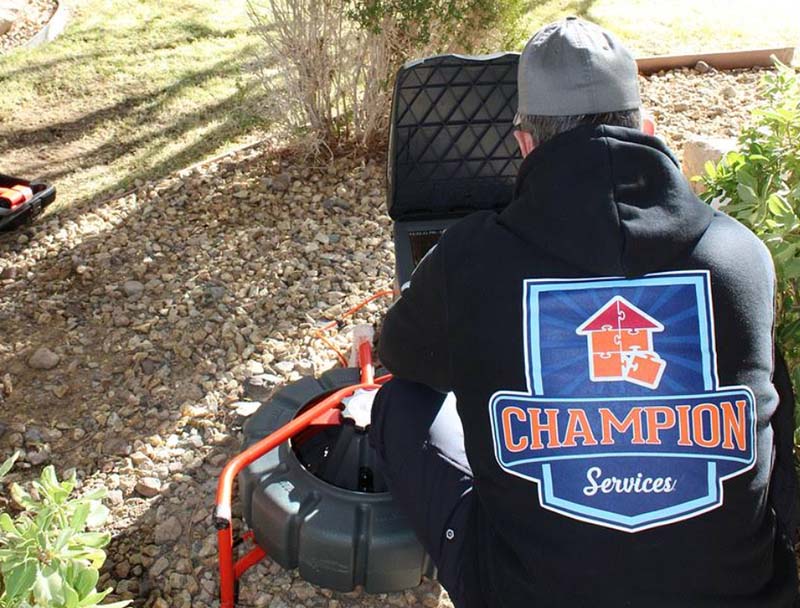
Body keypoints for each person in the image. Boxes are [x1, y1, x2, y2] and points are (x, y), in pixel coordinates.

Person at [368, 16, 800, 608]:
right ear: (648, 129)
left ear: (524, 147)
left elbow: (401, 353)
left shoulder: (471, 259)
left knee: (398, 400)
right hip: (744, 595)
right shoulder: (740, 257)